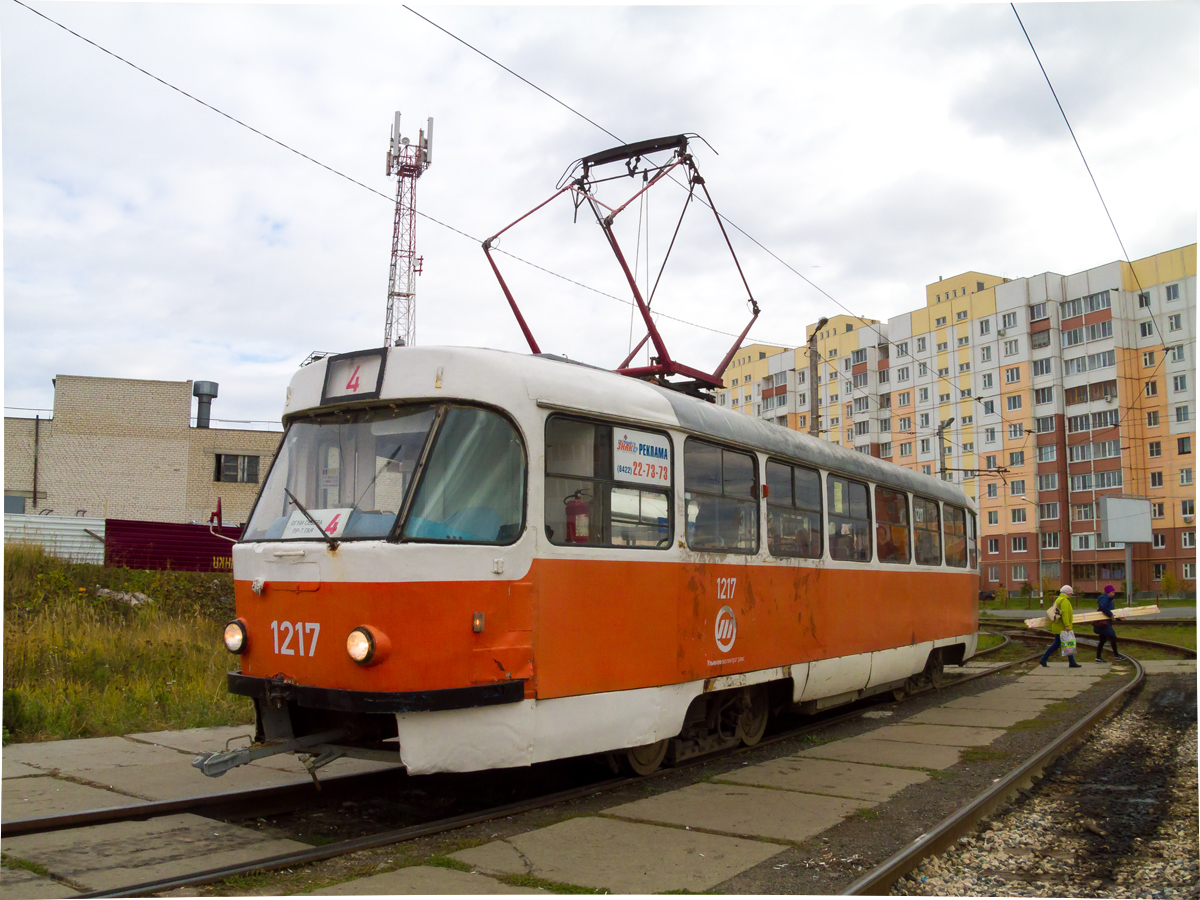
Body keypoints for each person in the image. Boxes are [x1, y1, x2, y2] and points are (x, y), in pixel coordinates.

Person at [1041, 585, 1083, 668]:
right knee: (1060, 644)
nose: (1071, 595)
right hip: (1062, 627)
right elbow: (1065, 614)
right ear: (1068, 593)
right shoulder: (1064, 601)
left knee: (1065, 643)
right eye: (1071, 593)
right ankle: (1043, 659)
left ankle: (1072, 662)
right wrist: (1067, 625)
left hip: (1058, 626)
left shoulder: (1059, 599)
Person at [1093, 584, 1126, 662]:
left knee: (1102, 640)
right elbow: (1104, 607)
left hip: (1104, 622)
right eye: (1112, 592)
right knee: (1113, 637)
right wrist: (1110, 615)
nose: (1114, 593)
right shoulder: (1105, 598)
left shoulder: (1107, 599)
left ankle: (1098, 657)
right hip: (1105, 623)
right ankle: (1116, 656)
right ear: (1108, 592)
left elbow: (1111, 612)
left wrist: (1119, 618)